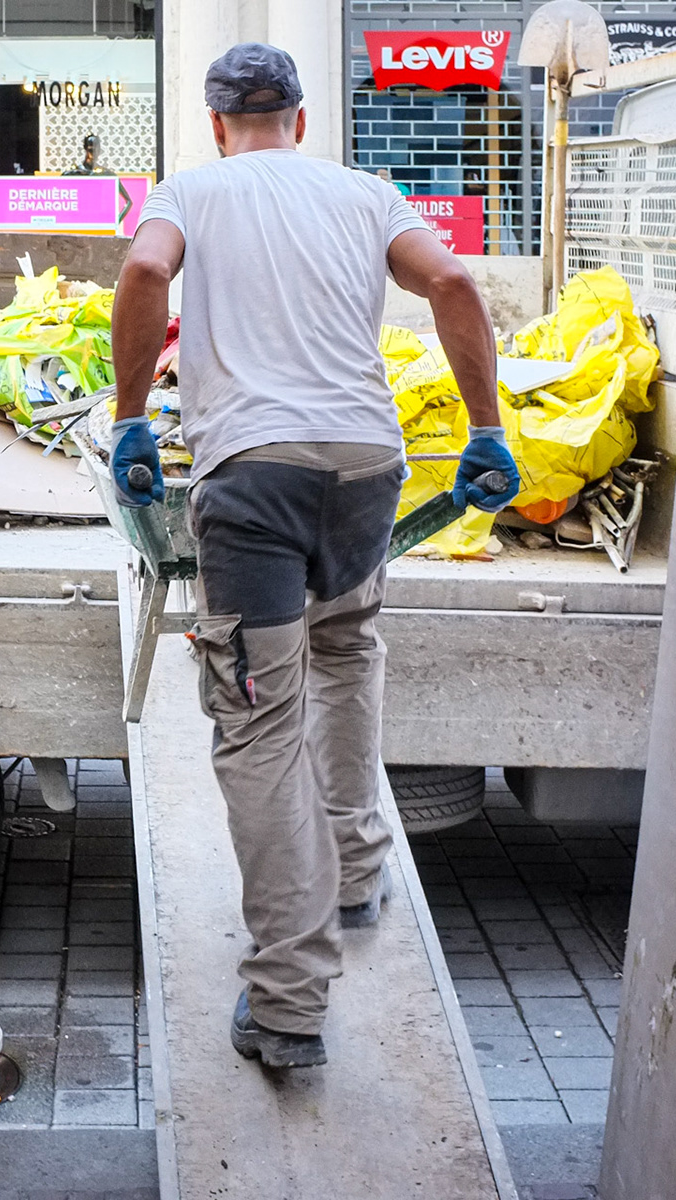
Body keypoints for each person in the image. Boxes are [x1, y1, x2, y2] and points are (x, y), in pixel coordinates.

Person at [106, 43, 518, 1069]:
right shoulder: (367, 191)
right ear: (298, 116)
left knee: (255, 722)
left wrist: (127, 420)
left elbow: (145, 269)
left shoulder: (190, 189)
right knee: (345, 652)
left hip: (255, 477)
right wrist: (486, 428)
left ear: (215, 124)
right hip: (364, 467)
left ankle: (289, 1002)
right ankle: (353, 870)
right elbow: (456, 280)